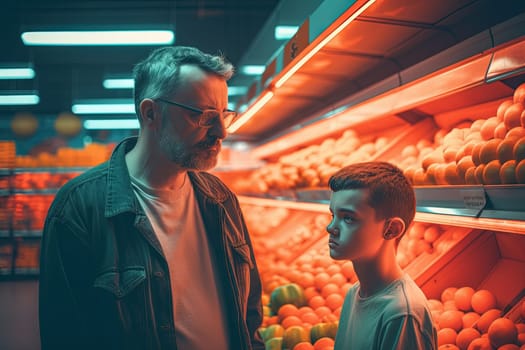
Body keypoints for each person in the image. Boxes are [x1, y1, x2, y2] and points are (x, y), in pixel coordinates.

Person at [39, 46, 264, 350]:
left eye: (224, 114)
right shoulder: (78, 208)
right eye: (204, 115)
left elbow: (249, 317)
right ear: (150, 113)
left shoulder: (221, 199)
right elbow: (65, 335)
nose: (221, 131)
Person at [326, 161, 437, 350]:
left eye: (348, 218)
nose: (330, 228)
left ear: (391, 230)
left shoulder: (402, 315)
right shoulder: (354, 293)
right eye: (332, 216)